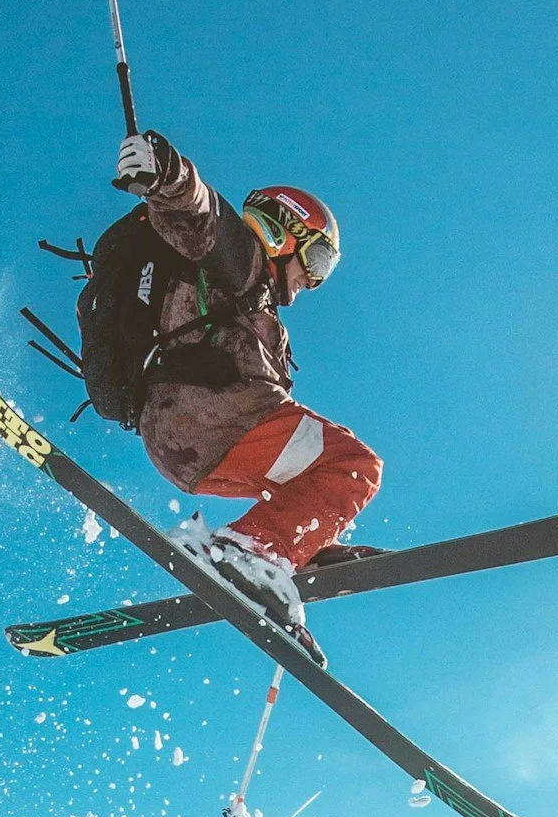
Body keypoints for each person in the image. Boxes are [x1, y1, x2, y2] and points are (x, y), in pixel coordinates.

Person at [114, 129, 382, 661]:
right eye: (318, 261)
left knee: (310, 472)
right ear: (283, 232)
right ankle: (252, 550)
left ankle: (295, 543)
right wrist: (166, 172)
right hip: (215, 416)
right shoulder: (240, 259)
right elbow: (199, 214)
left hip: (186, 442)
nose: (313, 281)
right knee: (354, 464)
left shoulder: (264, 315)